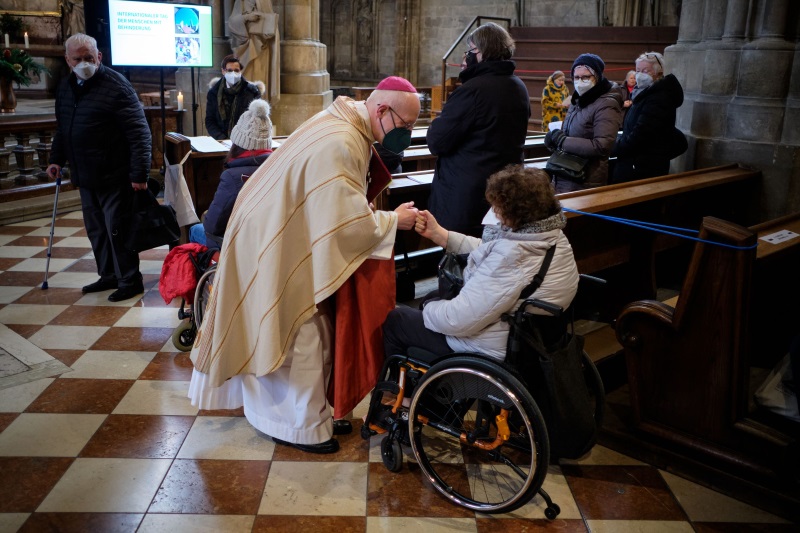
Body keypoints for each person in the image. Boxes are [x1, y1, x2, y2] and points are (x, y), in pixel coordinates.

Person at [188, 76, 422, 454]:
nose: (407, 134)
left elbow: (336, 202)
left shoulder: (349, 123)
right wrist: (394, 221)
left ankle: (311, 417)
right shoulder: (342, 140)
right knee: (299, 331)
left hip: (275, 231)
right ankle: (296, 426)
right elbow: (344, 222)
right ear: (381, 110)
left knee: (311, 330)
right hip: (269, 240)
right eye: (406, 125)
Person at [383, 165, 579, 362]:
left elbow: (457, 319)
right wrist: (440, 234)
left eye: (497, 207)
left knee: (397, 320)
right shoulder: (551, 237)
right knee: (436, 298)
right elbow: (492, 250)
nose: (493, 211)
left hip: (491, 347)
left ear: (513, 214)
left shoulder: (512, 258)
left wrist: (429, 308)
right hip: (531, 339)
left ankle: (403, 390)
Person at [47, 33, 150, 302]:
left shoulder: (117, 86)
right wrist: (56, 159)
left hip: (115, 173)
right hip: (85, 174)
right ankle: (108, 276)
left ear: (99, 57)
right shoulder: (67, 85)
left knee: (117, 228)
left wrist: (139, 174)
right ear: (68, 60)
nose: (84, 63)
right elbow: (64, 127)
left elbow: (139, 133)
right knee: (97, 230)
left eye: (89, 58)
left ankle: (130, 280)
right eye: (78, 59)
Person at [427, 22, 530, 238]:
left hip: (468, 196)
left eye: (470, 51)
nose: (466, 57)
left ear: (482, 52)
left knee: (463, 260)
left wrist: (438, 121)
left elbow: (437, 141)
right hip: (504, 191)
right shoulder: (519, 87)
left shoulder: (473, 91)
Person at [189, 99, 273, 248]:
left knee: (196, 230)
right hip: (268, 242)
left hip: (240, 247)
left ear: (238, 144)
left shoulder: (233, 177)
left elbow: (212, 226)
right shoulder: (278, 166)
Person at [544, 53, 624, 193]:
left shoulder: (606, 104)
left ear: (597, 77)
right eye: (576, 77)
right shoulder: (578, 99)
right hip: (566, 173)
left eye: (586, 77)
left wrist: (563, 141)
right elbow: (571, 133)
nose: (580, 81)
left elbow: (602, 145)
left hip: (586, 178)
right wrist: (554, 139)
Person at [611, 52, 688, 183]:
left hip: (643, 167)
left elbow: (641, 135)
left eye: (645, 71)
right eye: (638, 70)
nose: (640, 74)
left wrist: (612, 149)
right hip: (635, 162)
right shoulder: (643, 93)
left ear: (659, 73)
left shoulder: (659, 98)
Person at [228, 0, 280, 104]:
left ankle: (260, 113)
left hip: (263, 49)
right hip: (246, 47)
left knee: (261, 86)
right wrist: (246, 17)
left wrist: (268, 31)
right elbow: (232, 22)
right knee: (245, 84)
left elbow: (271, 25)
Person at [205, 54, 262, 140]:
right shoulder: (214, 92)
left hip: (244, 140)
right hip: (221, 140)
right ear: (223, 71)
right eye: (229, 70)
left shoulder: (252, 92)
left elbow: (257, 119)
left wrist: (242, 139)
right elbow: (210, 120)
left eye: (236, 70)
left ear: (240, 71)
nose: (233, 73)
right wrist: (221, 138)